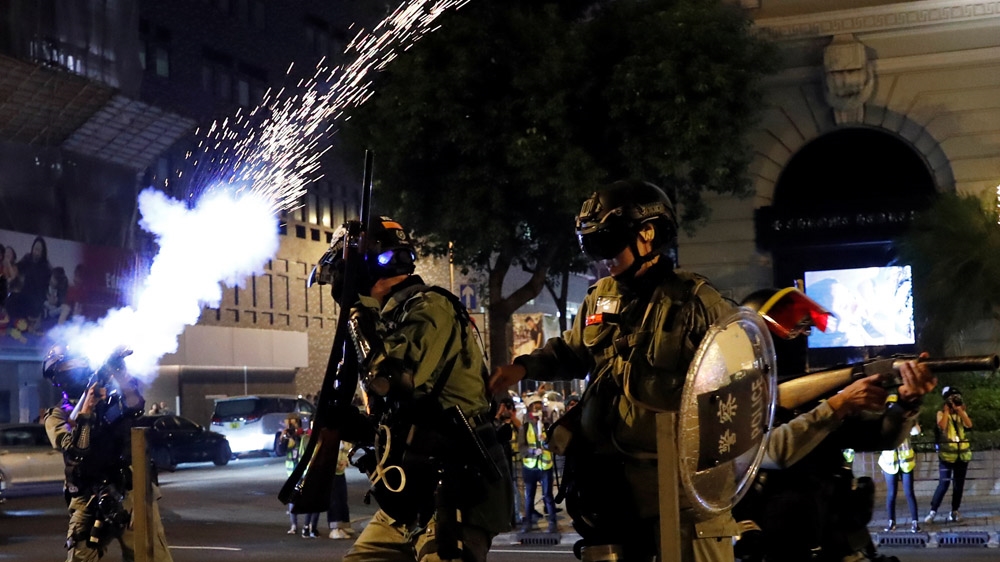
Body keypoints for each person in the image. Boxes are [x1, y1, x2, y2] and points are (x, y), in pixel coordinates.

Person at [489, 180, 735, 561]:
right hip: (610, 490)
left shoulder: (697, 303)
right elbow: (572, 351)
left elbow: (735, 388)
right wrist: (522, 367)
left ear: (647, 235)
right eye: (592, 247)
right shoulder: (601, 296)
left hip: (679, 492)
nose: (601, 258)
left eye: (608, 244)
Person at [312, 216, 512, 561]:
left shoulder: (431, 308)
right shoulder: (392, 316)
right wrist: (357, 425)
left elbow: (393, 380)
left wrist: (357, 312)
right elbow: (404, 410)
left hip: (455, 494)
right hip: (409, 495)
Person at [732, 287, 938, 562]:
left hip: (834, 540)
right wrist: (840, 404)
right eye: (792, 331)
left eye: (806, 329)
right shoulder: (738, 399)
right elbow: (775, 452)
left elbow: (881, 437)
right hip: (777, 548)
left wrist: (905, 403)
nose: (802, 337)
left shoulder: (815, 397)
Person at [42, 345, 174, 562]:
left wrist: (119, 371)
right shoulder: (57, 415)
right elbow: (77, 450)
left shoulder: (109, 399)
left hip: (128, 490)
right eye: (68, 366)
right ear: (58, 377)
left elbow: (135, 405)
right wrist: (87, 411)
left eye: (78, 363)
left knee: (149, 555)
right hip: (87, 494)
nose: (75, 369)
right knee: (80, 556)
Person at [924, 385, 973, 524]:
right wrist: (947, 411)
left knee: (959, 485)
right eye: (952, 398)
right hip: (946, 456)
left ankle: (954, 511)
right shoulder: (941, 413)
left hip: (962, 456)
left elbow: (969, 424)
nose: (955, 400)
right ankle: (933, 511)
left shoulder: (960, 413)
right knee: (944, 484)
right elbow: (942, 426)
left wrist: (960, 411)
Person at [519, 395, 557, 533]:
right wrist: (532, 451)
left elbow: (555, 444)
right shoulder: (524, 426)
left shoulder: (547, 425)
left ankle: (552, 523)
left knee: (548, 495)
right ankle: (527, 523)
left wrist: (547, 441)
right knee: (530, 496)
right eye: (535, 406)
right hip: (530, 466)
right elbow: (521, 447)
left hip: (545, 466)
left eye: (539, 405)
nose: (538, 408)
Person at [879, 423, 922, 532]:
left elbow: (916, 431)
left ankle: (915, 522)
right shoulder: (884, 422)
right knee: (891, 493)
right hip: (889, 463)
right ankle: (891, 522)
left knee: (909, 492)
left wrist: (911, 420)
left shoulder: (905, 421)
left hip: (906, 463)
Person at [278, 415, 305, 535]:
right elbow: (280, 450)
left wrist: (295, 435)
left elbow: (303, 445)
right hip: (291, 473)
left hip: (302, 472)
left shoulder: (303, 435)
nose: (290, 427)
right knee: (292, 499)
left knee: (306, 497)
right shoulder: (287, 437)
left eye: (293, 424)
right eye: (288, 424)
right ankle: (293, 525)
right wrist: (282, 437)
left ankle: (308, 525)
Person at [327, 438, 355, 539]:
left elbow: (349, 451)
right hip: (331, 473)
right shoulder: (330, 437)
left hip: (340, 472)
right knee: (334, 501)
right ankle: (335, 528)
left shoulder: (345, 440)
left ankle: (343, 526)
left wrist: (346, 461)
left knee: (343, 499)